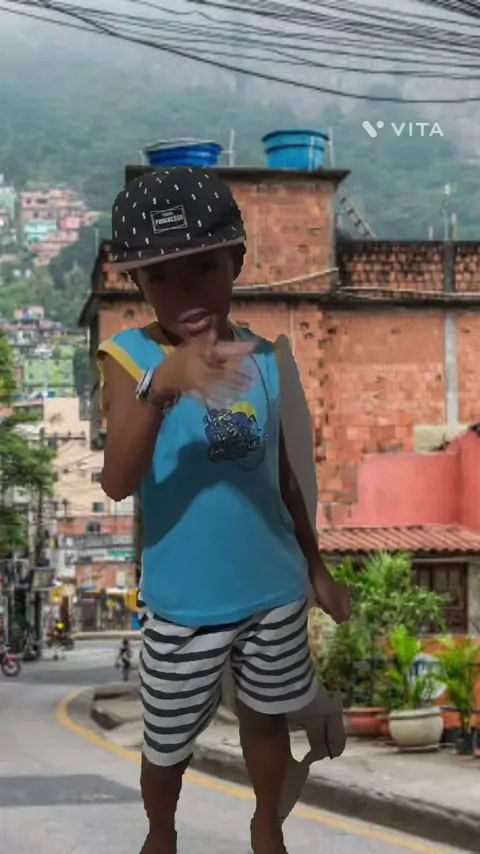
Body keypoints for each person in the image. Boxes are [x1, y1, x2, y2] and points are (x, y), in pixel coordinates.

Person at [99, 167, 351, 854]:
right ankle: (161, 832)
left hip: (273, 592)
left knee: (266, 723)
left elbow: (285, 479)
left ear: (236, 261)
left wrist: (317, 570)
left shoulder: (265, 360)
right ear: (138, 281)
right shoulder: (129, 358)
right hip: (182, 601)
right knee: (167, 743)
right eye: (161, 276)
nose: (185, 292)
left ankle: (267, 825)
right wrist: (162, 386)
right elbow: (117, 482)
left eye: (204, 267)